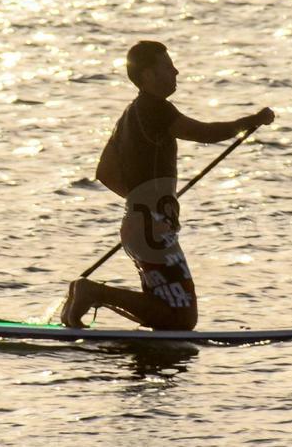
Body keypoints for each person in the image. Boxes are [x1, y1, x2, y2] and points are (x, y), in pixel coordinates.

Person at [60, 41, 273, 330]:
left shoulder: (130, 114)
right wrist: (252, 121)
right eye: (167, 66)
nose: (175, 70)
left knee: (168, 312)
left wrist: (142, 202)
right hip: (152, 230)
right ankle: (93, 292)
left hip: (141, 224)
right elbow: (204, 133)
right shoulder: (155, 109)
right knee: (180, 317)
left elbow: (105, 172)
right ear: (147, 75)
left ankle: (86, 297)